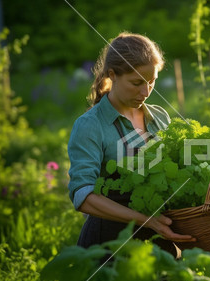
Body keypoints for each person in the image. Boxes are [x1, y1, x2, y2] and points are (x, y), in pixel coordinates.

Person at [67, 31, 195, 258]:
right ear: (113, 75)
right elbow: (83, 196)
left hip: (161, 242)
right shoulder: (91, 125)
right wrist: (148, 221)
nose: (145, 92)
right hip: (109, 246)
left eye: (151, 82)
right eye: (136, 83)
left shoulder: (159, 117)